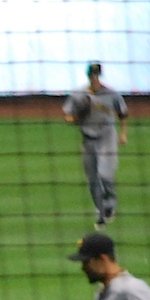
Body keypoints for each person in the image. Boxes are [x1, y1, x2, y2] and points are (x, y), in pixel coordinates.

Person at [62, 62, 129, 226]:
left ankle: (109, 205)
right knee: (92, 178)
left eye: (96, 75)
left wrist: (123, 134)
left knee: (105, 175)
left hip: (107, 137)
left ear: (100, 75)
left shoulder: (111, 94)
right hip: (88, 139)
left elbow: (123, 114)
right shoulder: (79, 94)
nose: (94, 78)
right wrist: (74, 119)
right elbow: (67, 114)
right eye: (92, 75)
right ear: (88, 75)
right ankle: (100, 211)